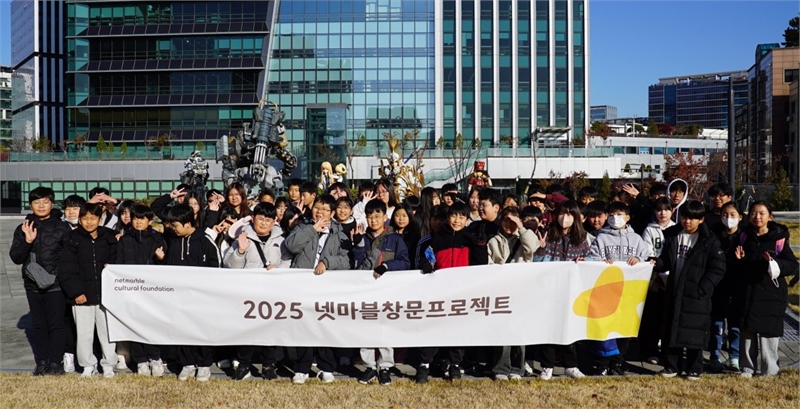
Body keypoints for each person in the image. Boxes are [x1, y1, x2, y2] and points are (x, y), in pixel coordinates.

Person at [416, 202, 488, 383]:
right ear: (448, 218)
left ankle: (455, 364)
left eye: (461, 217)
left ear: (467, 219)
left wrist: (480, 245)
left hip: (462, 292)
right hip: (439, 291)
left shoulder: (469, 239)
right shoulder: (437, 238)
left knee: (459, 328)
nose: (457, 220)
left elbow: (480, 265)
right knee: (434, 327)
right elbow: (427, 257)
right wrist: (426, 264)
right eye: (454, 216)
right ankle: (424, 364)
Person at [653, 200, 725, 380]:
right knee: (672, 328)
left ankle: (694, 368)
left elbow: (718, 268)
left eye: (692, 218)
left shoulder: (709, 240)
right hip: (674, 290)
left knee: (694, 331)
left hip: (696, 294)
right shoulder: (673, 235)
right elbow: (666, 260)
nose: (687, 221)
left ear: (701, 219)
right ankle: (671, 366)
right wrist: (656, 263)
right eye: (685, 217)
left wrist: (703, 288)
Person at [283, 194, 350, 384]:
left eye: (325, 210)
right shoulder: (303, 226)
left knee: (324, 325)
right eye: (317, 208)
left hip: (326, 287)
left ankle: (325, 367)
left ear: (332, 213)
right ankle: (302, 368)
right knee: (304, 326)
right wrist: (313, 229)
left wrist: (327, 262)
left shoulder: (339, 233)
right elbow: (291, 245)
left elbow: (346, 260)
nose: (320, 212)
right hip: (302, 286)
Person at [9, 187, 72, 376]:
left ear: (52, 204)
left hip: (56, 285)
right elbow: (16, 257)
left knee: (56, 325)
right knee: (39, 325)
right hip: (32, 285)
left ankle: (55, 363)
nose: (41, 206)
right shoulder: (23, 228)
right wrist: (28, 241)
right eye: (37, 202)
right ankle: (42, 362)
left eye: (45, 202)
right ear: (31, 205)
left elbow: (69, 257)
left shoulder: (63, 227)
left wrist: (60, 277)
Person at [224, 202, 289, 381]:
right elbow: (228, 264)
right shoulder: (243, 237)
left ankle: (268, 365)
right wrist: (240, 251)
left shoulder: (281, 240)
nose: (263, 223)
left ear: (274, 222)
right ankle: (243, 365)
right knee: (248, 329)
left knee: (270, 329)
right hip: (249, 293)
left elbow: (288, 261)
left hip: (272, 293)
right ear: (253, 219)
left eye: (268, 220)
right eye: (260, 219)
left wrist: (279, 269)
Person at [735, 201, 799, 378]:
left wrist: (773, 263)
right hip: (747, 292)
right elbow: (736, 265)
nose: (757, 217)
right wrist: (739, 260)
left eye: (761, 213)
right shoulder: (743, 236)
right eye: (753, 213)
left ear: (770, 216)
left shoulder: (778, 238)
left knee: (769, 333)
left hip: (771, 294)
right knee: (747, 332)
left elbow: (791, 264)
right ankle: (746, 369)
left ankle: (770, 371)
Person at [587, 201, 651, 376]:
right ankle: (602, 364)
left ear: (628, 217)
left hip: (629, 293)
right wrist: (602, 262)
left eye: (620, 215)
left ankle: (617, 363)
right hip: (606, 290)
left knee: (623, 329)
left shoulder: (636, 238)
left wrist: (638, 259)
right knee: (605, 329)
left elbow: (645, 256)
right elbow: (592, 257)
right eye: (612, 215)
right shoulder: (601, 238)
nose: (616, 218)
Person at [353, 199, 410, 386]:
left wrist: (387, 266)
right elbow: (356, 265)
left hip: (387, 291)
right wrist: (357, 246)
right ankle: (369, 366)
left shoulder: (394, 239)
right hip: (366, 291)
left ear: (385, 217)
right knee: (365, 327)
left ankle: (384, 366)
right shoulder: (362, 238)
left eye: (377, 216)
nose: (373, 220)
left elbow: (405, 262)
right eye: (370, 216)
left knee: (385, 327)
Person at [59, 202, 119, 378]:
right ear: (80, 220)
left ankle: (108, 364)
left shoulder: (109, 237)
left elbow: (117, 260)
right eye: (85, 218)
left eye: (93, 218)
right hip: (82, 296)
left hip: (106, 295)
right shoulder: (72, 239)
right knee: (84, 334)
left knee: (107, 332)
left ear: (100, 219)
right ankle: (87, 365)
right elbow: (66, 269)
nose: (89, 222)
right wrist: (76, 292)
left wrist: (112, 266)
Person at [533, 200, 590, 380]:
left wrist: (584, 263)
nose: (564, 218)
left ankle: (570, 366)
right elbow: (536, 264)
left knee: (569, 328)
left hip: (571, 291)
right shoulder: (548, 234)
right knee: (549, 329)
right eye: (561, 214)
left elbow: (589, 260)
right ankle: (547, 366)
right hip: (550, 290)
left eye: (569, 214)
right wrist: (541, 249)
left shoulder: (582, 238)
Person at [164, 204, 220, 381]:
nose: (173, 229)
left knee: (201, 330)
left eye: (175, 226)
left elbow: (216, 265)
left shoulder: (205, 241)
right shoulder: (173, 241)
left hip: (201, 296)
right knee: (182, 329)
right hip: (179, 296)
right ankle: (187, 363)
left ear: (187, 223)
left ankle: (203, 365)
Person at [115, 204, 167, 377]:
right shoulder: (125, 239)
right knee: (134, 324)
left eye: (142, 219)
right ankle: (141, 360)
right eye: (135, 218)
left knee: (151, 324)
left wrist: (160, 259)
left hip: (152, 291)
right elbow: (118, 263)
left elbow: (166, 266)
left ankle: (155, 357)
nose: (138, 222)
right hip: (131, 290)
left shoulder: (157, 239)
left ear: (149, 221)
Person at [487, 206, 538, 381]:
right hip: (501, 290)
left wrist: (521, 227)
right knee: (502, 330)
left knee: (519, 331)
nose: (509, 224)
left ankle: (517, 368)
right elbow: (487, 264)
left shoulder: (524, 238)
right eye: (506, 220)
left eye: (513, 221)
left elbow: (532, 247)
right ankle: (501, 368)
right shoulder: (494, 241)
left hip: (521, 290)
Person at [638, 197, 675, 365]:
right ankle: (650, 350)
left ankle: (668, 351)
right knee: (653, 314)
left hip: (672, 274)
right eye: (659, 210)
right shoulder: (649, 229)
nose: (663, 213)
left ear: (672, 211)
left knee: (668, 315)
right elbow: (648, 251)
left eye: (666, 210)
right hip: (654, 276)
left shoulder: (676, 228)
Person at [707, 201, 743, 372]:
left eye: (732, 215)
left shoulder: (744, 237)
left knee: (735, 325)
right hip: (718, 286)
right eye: (725, 215)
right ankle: (714, 356)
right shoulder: (714, 236)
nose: (729, 218)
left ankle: (734, 357)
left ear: (740, 217)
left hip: (737, 287)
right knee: (716, 324)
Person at [389, 201, 420, 271]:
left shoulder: (415, 236)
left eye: (404, 216)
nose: (401, 219)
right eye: (397, 215)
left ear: (410, 217)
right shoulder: (388, 234)